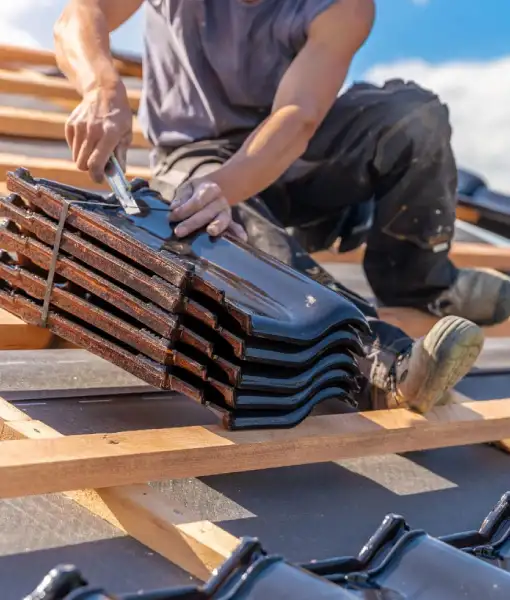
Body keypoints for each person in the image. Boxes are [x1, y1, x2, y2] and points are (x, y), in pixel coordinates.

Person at [53, 0, 509, 415]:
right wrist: (101, 88)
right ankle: (380, 362)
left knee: (416, 118)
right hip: (195, 152)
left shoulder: (344, 6)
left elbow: (297, 115)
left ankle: (420, 285)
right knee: (219, 229)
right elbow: (80, 13)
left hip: (294, 154)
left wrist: (223, 188)